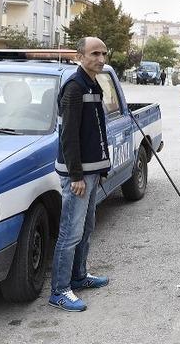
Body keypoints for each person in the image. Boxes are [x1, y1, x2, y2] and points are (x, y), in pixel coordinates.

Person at [49, 37, 111, 312]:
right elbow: (69, 136)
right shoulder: (74, 88)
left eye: (104, 53)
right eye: (94, 53)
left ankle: (79, 276)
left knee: (85, 229)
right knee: (70, 233)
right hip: (78, 175)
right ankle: (60, 291)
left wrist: (102, 167)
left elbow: (96, 130)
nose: (101, 58)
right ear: (80, 56)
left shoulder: (92, 83)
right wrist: (75, 176)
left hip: (91, 171)